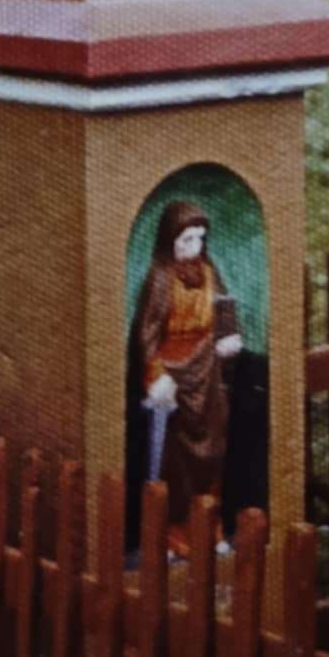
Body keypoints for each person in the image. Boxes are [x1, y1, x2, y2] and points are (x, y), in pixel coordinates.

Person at [128, 201, 243, 555]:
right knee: (173, 463)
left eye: (199, 239)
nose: (194, 247)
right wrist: (157, 374)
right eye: (186, 240)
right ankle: (170, 535)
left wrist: (228, 337)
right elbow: (146, 334)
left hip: (207, 374)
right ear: (171, 241)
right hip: (173, 379)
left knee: (212, 453)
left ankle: (208, 529)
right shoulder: (161, 278)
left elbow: (224, 311)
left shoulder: (208, 272)